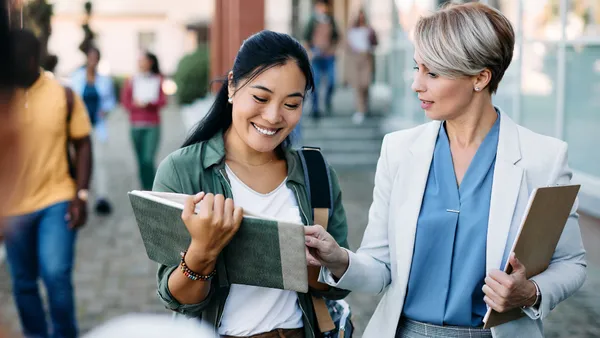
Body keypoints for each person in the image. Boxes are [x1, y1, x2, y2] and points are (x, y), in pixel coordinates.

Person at [304, 3, 587, 338]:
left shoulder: (544, 159)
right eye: (416, 68)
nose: (416, 85)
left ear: (481, 78)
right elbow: (381, 268)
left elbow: (572, 264)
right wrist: (338, 259)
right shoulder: (397, 151)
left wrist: (531, 292)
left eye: (432, 73)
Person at [152, 30, 350, 338]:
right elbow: (177, 299)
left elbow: (335, 290)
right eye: (260, 97)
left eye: (292, 104)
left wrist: (327, 262)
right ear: (232, 85)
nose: (273, 116)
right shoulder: (183, 171)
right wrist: (203, 250)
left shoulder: (316, 172)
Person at [4, 29, 93, 338]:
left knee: (56, 275)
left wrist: (81, 194)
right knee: (23, 282)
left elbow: (83, 143)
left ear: (30, 60)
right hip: (12, 208)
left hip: (56, 199)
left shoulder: (62, 94)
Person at [71, 46, 116, 215]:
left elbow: (110, 101)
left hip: (98, 125)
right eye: (90, 57)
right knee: (79, 162)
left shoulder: (105, 80)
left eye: (95, 58)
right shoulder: (76, 77)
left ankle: (102, 197)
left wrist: (106, 109)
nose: (92, 61)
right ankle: (79, 195)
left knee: (100, 161)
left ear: (98, 60)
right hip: (79, 128)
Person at [121, 51, 167, 190]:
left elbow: (163, 101)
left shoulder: (158, 79)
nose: (140, 63)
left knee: (148, 159)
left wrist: (149, 104)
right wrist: (135, 105)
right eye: (139, 60)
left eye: (143, 60)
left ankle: (152, 187)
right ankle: (144, 188)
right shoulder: (131, 80)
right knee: (140, 160)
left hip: (152, 125)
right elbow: (125, 102)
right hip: (135, 125)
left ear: (150, 62)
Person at [303, 0, 339, 119]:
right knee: (315, 84)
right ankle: (315, 108)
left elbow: (337, 38)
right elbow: (305, 39)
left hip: (329, 57)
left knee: (331, 82)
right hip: (316, 58)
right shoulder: (312, 21)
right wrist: (310, 52)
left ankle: (328, 101)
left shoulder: (331, 21)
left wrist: (333, 49)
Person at [346, 9, 377, 125]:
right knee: (358, 86)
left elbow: (375, 43)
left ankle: (365, 107)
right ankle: (360, 110)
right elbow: (347, 45)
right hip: (355, 59)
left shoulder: (369, 29)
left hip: (367, 57)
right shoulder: (352, 30)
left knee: (366, 84)